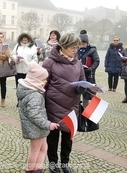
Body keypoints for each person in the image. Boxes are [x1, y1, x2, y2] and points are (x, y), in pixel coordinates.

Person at [42, 33, 85, 173]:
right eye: (73, 47)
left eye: (77, 47)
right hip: (53, 106)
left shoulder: (78, 63)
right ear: (63, 46)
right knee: (53, 137)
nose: (75, 50)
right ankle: (53, 162)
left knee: (68, 137)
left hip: (72, 106)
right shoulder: (50, 62)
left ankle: (65, 162)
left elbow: (83, 81)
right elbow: (42, 85)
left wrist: (83, 88)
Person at [17, 60, 59, 173]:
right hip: (36, 128)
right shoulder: (35, 95)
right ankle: (30, 169)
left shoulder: (31, 91)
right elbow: (34, 114)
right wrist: (48, 124)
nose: (46, 81)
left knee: (43, 148)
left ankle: (37, 168)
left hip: (37, 128)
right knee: (35, 150)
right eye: (44, 79)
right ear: (36, 80)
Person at [77, 30, 100, 107]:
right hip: (77, 74)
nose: (81, 45)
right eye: (80, 44)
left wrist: (91, 69)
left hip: (88, 74)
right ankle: (78, 110)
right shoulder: (76, 50)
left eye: (83, 44)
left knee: (87, 93)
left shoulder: (92, 50)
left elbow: (96, 61)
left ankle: (85, 109)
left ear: (87, 43)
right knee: (77, 91)